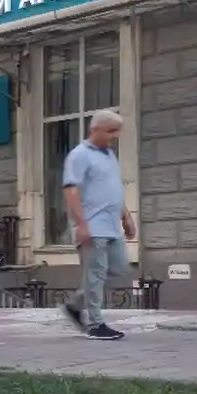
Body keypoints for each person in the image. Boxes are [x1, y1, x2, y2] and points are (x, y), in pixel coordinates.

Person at [62, 109, 135, 341]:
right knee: (96, 275)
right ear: (95, 130)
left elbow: (113, 189)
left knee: (120, 268)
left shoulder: (109, 155)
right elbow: (70, 189)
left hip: (112, 226)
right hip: (93, 226)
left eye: (116, 131)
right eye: (110, 131)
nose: (114, 136)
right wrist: (81, 224)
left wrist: (126, 216)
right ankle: (95, 324)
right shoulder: (79, 155)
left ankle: (75, 305)